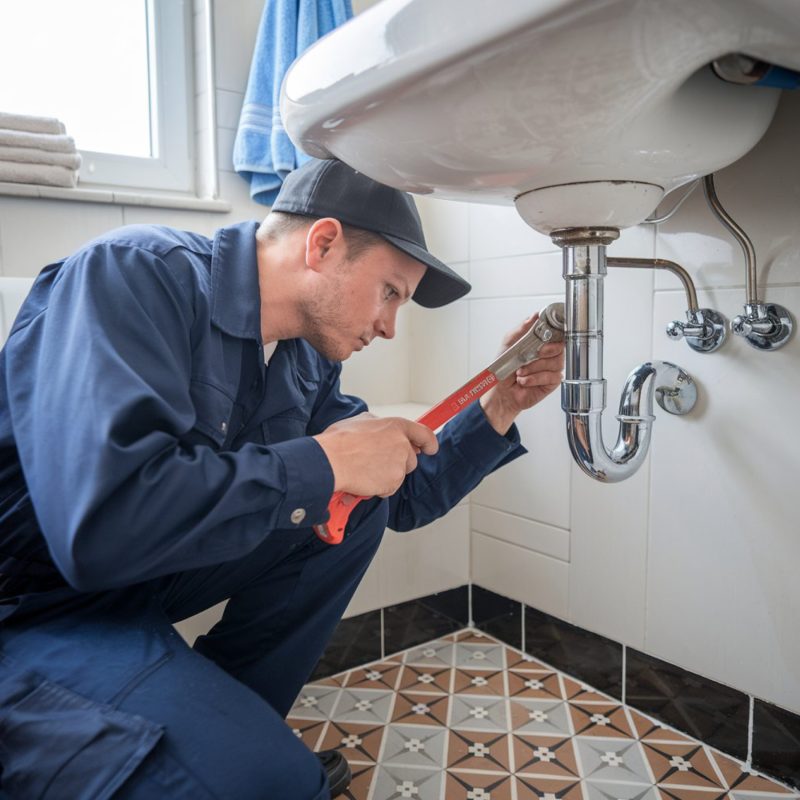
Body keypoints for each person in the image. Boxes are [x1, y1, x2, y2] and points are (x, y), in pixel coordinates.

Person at [0, 159, 564, 799]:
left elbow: (398, 495)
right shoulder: (137, 271)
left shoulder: (302, 358)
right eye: (390, 292)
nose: (389, 325)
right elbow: (98, 527)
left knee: (354, 512)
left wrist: (500, 406)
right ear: (322, 244)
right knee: (272, 782)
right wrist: (325, 461)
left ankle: (237, 718)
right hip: (32, 603)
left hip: (136, 586)